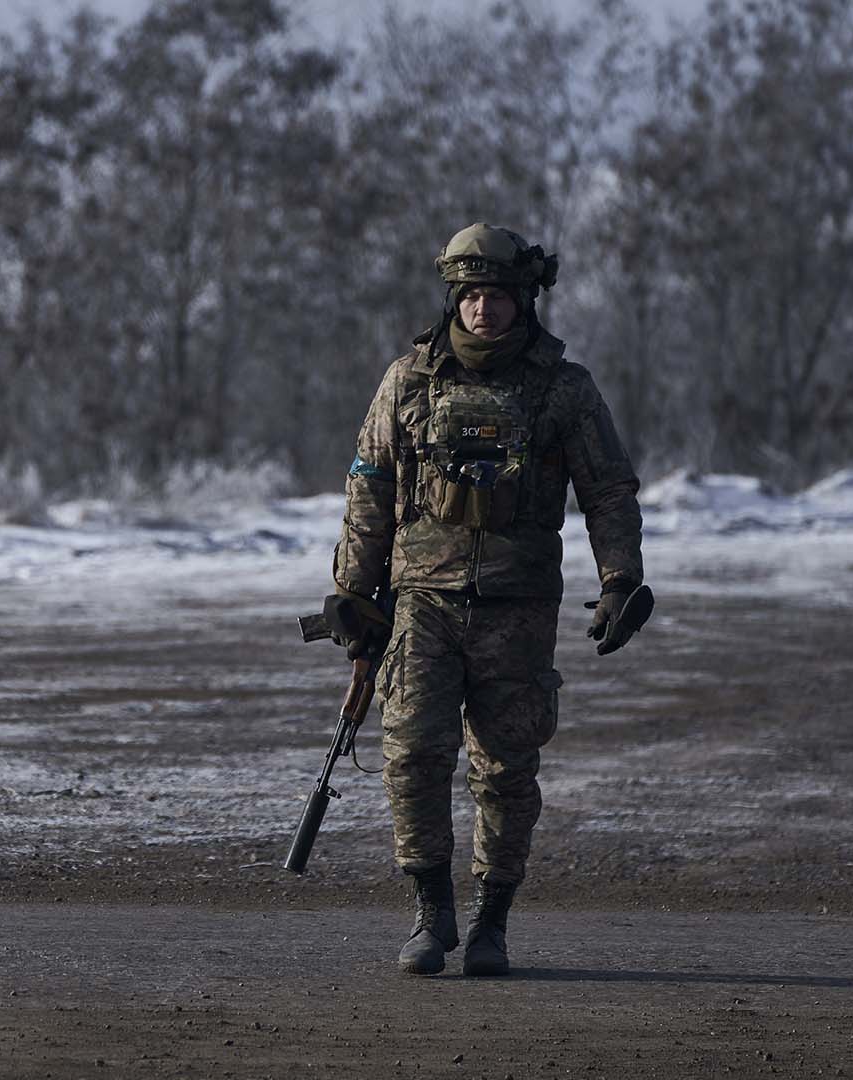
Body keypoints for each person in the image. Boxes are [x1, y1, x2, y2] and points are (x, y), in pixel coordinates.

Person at [334, 223, 649, 977]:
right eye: (471, 295)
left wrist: (619, 581)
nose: (483, 310)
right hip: (422, 604)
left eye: (498, 296)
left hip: (519, 608)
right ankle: (430, 912)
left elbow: (607, 489)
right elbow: (369, 485)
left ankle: (491, 922)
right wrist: (351, 589)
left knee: (506, 770)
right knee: (411, 753)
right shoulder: (408, 380)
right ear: (454, 298)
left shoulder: (561, 388)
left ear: (524, 301)